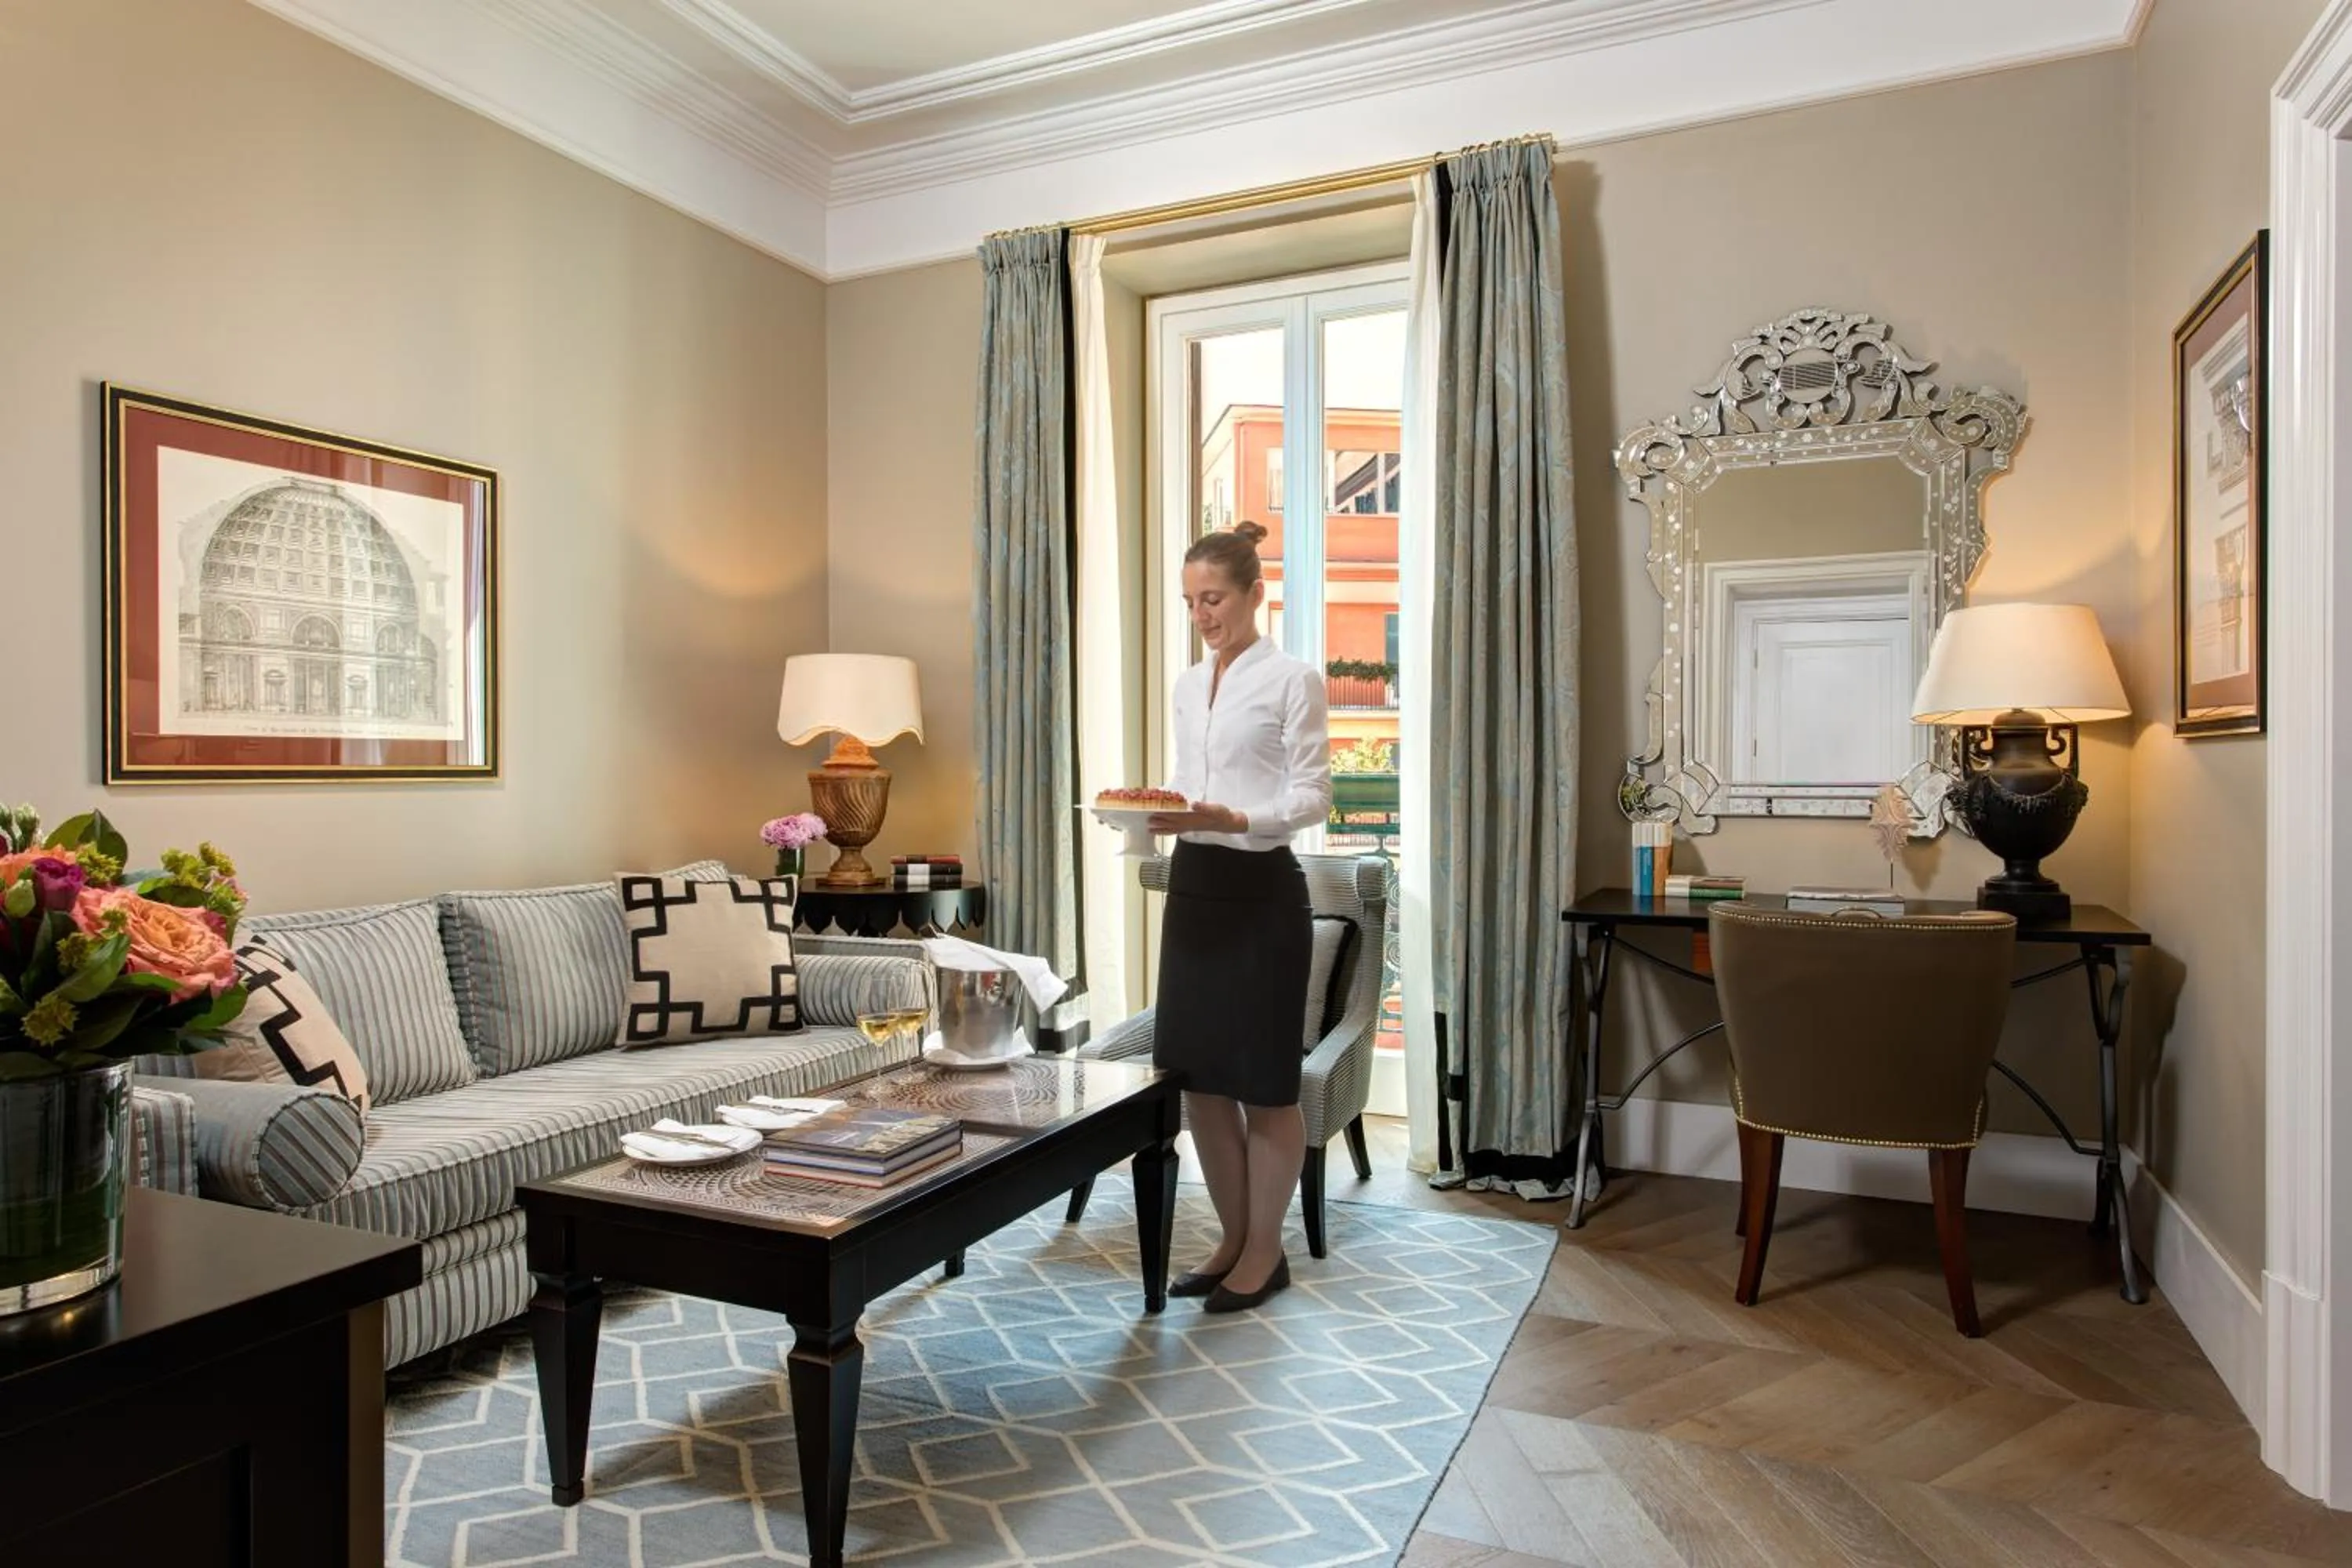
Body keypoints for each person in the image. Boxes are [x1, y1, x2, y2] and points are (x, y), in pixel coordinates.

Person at [1145, 520, 1334, 1313]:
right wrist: (1156, 816)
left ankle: (1265, 1251)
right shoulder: (1188, 685)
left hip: (1262, 898)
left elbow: (1313, 797)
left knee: (1264, 1086)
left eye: (1214, 599)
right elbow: (1190, 783)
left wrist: (1236, 819)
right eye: (1191, 602)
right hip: (1194, 891)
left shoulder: (1295, 680)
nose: (1201, 615)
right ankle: (1231, 1239)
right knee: (1201, 1085)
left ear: (1256, 593)